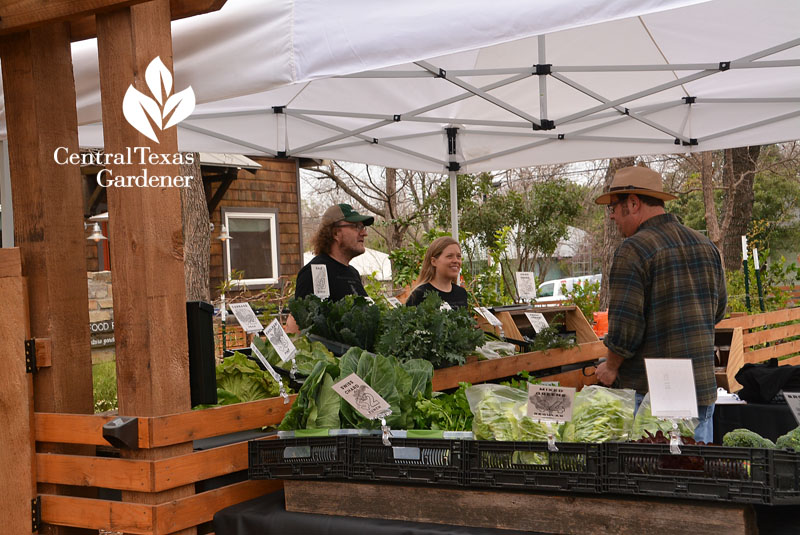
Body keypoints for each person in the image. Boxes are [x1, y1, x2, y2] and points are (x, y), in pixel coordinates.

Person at [593, 166, 727, 444]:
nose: (612, 215)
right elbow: (718, 311)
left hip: (652, 395)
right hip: (700, 387)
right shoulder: (706, 245)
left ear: (633, 203)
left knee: (651, 478)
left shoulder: (633, 250)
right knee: (696, 473)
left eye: (615, 207)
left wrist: (610, 366)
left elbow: (625, 330)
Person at [294, 203, 374, 302]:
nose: (364, 233)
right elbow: (300, 316)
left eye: (363, 227)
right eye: (357, 226)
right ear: (335, 233)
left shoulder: (353, 273)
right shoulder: (316, 272)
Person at [405, 236, 470, 309]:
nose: (456, 260)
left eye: (458, 256)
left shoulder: (461, 293)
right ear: (434, 261)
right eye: (449, 256)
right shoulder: (419, 294)